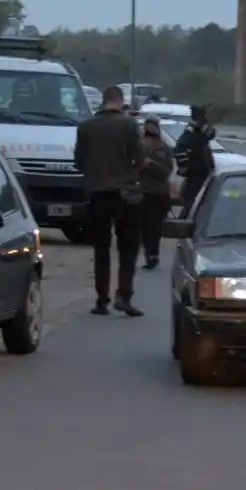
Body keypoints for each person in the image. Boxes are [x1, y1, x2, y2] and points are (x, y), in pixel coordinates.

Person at [74, 84, 144, 317]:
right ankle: (124, 296)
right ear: (120, 101)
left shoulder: (86, 127)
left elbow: (79, 161)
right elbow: (139, 157)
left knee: (101, 249)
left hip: (97, 192)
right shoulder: (129, 125)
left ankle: (101, 299)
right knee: (128, 249)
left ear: (103, 102)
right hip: (125, 194)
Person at [139, 116, 175, 269]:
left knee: (155, 227)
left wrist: (151, 164)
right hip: (142, 192)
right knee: (144, 227)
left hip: (158, 193)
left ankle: (153, 254)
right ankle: (148, 254)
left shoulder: (164, 149)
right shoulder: (139, 147)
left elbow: (166, 171)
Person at [174, 105, 217, 217]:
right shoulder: (190, 134)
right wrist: (187, 167)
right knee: (190, 206)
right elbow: (180, 149)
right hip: (195, 177)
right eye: (203, 119)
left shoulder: (200, 134)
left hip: (204, 174)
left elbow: (209, 135)